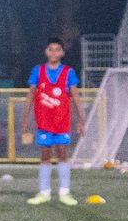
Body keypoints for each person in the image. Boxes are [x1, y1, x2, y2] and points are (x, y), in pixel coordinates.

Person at [26, 37, 85, 205]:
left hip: (62, 122)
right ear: (46, 52)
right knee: (45, 155)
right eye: (50, 49)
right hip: (44, 121)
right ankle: (44, 192)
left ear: (62, 53)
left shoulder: (68, 72)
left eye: (57, 49)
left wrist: (81, 120)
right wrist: (25, 118)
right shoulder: (38, 71)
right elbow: (31, 95)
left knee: (62, 154)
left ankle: (64, 192)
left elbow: (75, 96)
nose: (53, 52)